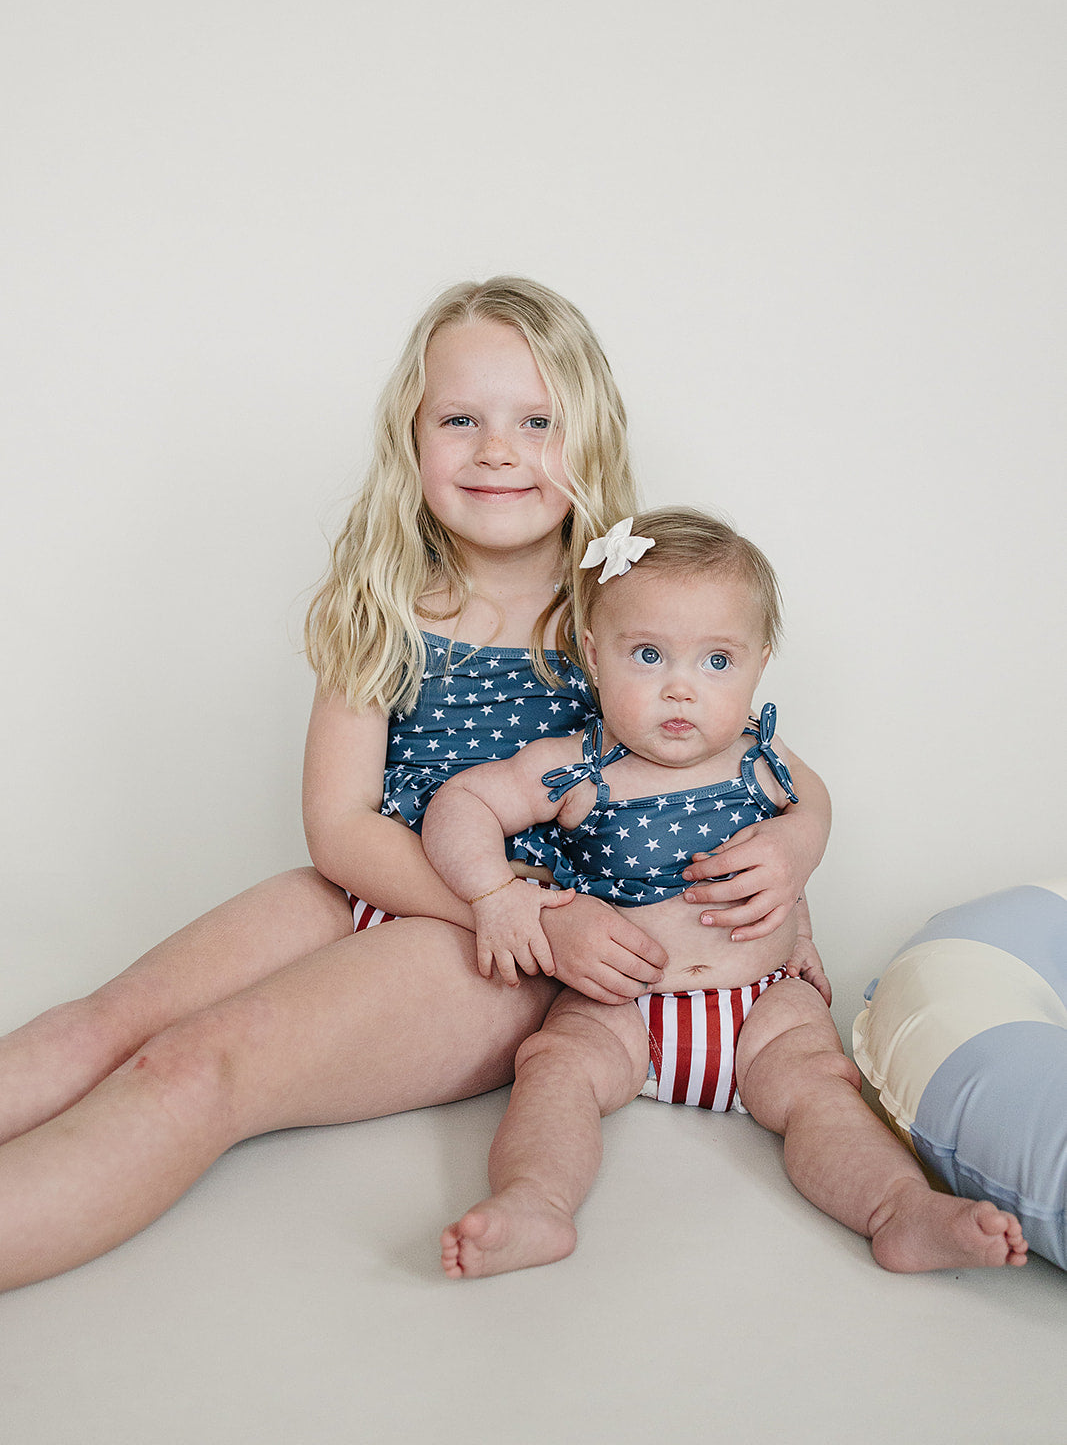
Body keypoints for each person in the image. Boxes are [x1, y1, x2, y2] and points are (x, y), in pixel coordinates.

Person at [0, 279, 830, 1291]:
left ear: (591, 440)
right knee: (106, 1021)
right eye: (460, 419)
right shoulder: (382, 598)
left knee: (195, 1066)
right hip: (399, 879)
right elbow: (339, 823)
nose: (495, 448)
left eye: (535, 421)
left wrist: (788, 861)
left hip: (509, 951)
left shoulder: (631, 615)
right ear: (413, 434)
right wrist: (489, 892)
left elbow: (746, 769)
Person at [425, 510, 1029, 1278]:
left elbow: (812, 816)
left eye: (716, 661)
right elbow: (461, 805)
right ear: (593, 654)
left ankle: (897, 1212)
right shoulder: (575, 767)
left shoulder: (761, 757)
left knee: (819, 1091)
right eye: (647, 654)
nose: (681, 688)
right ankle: (533, 1202)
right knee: (555, 1071)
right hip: (622, 1004)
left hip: (762, 1002)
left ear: (758, 664)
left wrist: (795, 868)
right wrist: (494, 894)